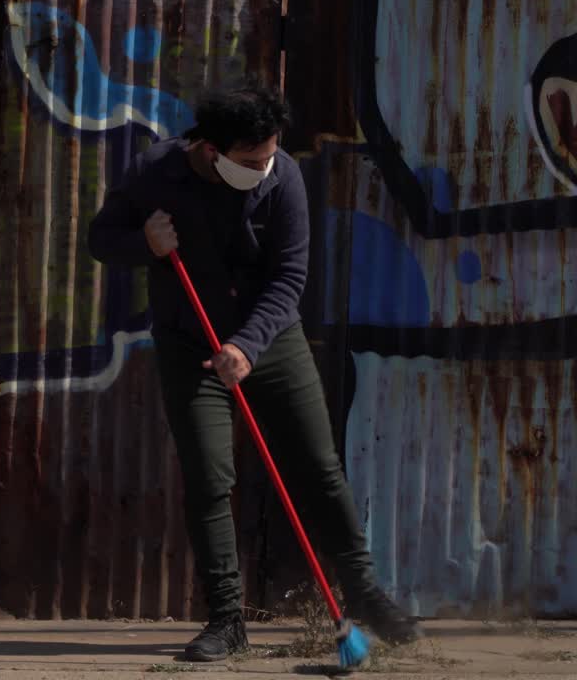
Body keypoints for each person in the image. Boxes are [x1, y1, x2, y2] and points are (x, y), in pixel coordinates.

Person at [87, 81, 421, 662]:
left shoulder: (283, 178)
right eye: (252, 160)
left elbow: (289, 276)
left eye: (270, 153)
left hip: (270, 341)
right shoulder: (156, 172)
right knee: (210, 478)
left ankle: (364, 593)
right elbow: (100, 238)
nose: (265, 167)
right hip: (190, 344)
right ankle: (227, 620)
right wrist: (144, 241)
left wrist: (246, 345)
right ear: (212, 150)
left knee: (319, 469)